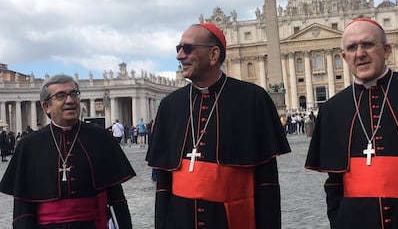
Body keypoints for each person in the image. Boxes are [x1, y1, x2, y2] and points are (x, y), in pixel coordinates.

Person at [146, 22, 291, 228]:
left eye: (187, 48)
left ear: (214, 55)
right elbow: (163, 185)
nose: (179, 55)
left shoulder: (253, 100)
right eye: (178, 48)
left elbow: (267, 183)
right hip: (181, 220)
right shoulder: (170, 106)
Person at [305, 17, 398, 228]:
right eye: (352, 47)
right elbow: (334, 183)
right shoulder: (332, 109)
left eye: (368, 44)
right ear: (344, 57)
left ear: (387, 50)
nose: (360, 53)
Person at [0, 74, 136, 228]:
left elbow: (116, 198)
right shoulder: (29, 145)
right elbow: (23, 209)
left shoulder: (101, 138)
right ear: (46, 107)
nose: (70, 100)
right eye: (61, 96)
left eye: (73, 94)